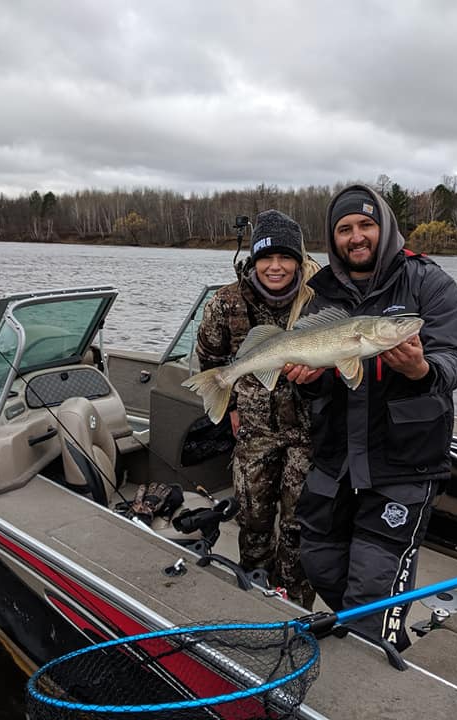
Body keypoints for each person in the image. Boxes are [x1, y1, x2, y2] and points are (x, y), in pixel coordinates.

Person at [284, 184, 457, 650]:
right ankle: (367, 632)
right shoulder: (320, 294)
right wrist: (304, 380)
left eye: (366, 224)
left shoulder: (428, 282)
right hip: (336, 459)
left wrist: (422, 369)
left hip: (402, 462)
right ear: (334, 238)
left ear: (384, 227)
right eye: (344, 229)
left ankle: (376, 658)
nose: (356, 236)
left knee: (374, 586)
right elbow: (324, 377)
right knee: (318, 557)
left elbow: (455, 358)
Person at [194, 209, 319, 610]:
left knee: (300, 525)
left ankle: (295, 605)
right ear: (253, 260)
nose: (276, 267)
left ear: (299, 260)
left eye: (286, 258)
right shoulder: (225, 303)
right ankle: (255, 598)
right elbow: (209, 358)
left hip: (309, 431)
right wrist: (229, 405)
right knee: (253, 519)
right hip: (254, 430)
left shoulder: (320, 299)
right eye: (266, 258)